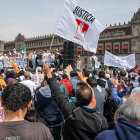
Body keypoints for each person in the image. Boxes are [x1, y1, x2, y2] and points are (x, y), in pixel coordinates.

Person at [43, 64, 108, 140]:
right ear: (91, 99)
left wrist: (48, 75)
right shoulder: (101, 120)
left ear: (76, 99)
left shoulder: (72, 111)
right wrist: (82, 80)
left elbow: (57, 94)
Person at [35, 76, 64, 140]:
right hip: (57, 123)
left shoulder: (38, 93)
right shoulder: (59, 93)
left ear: (45, 81)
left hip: (43, 123)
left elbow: (36, 106)